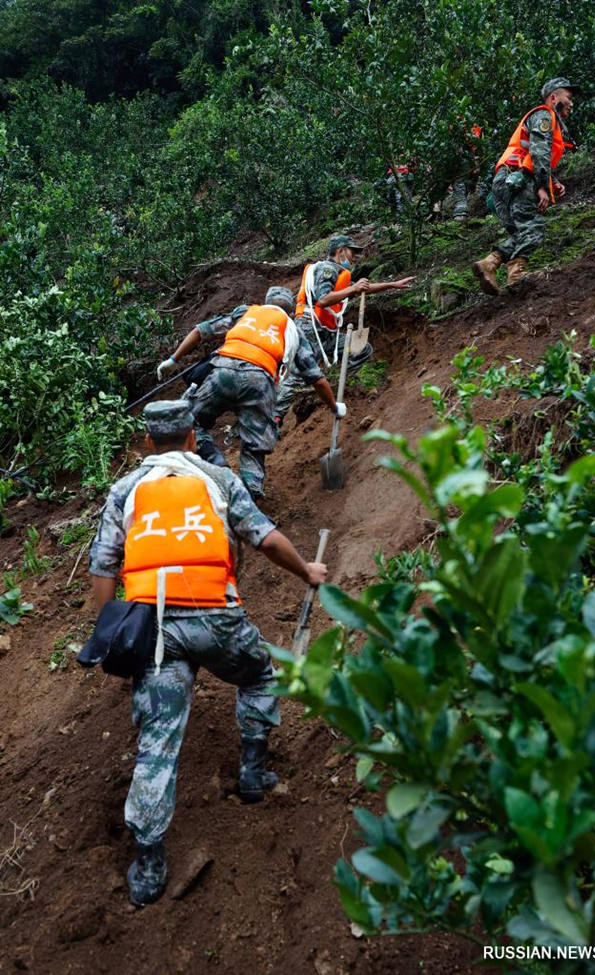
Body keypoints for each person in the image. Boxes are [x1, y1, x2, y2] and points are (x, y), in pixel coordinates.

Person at [89, 400, 328, 907]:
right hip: (215, 617)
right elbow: (263, 538)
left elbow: (104, 566)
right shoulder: (218, 479)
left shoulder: (125, 490)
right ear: (192, 439)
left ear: (148, 443)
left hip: (155, 630)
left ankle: (149, 862)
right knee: (260, 672)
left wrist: (110, 629)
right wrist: (307, 570)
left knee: (159, 741)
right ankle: (253, 769)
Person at [155, 286, 344, 501]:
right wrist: (334, 407)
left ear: (265, 302)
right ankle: (248, 496)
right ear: (291, 312)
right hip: (260, 382)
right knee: (255, 445)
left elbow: (202, 330)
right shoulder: (293, 331)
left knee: (189, 422)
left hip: (223, 372)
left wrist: (173, 360)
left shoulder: (245, 313)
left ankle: (215, 461)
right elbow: (316, 378)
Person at [274, 235, 415, 423]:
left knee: (361, 350)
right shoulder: (327, 269)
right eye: (352, 251)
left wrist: (391, 284)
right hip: (310, 328)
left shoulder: (338, 272)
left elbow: (361, 288)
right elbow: (323, 299)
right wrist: (354, 288)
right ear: (340, 251)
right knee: (298, 375)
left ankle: (337, 388)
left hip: (326, 331)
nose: (356, 257)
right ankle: (273, 417)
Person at [472, 78, 578, 294]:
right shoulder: (544, 115)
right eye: (568, 97)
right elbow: (538, 153)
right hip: (519, 180)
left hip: (505, 180)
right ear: (553, 98)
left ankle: (489, 264)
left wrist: (553, 182)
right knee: (534, 228)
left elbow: (532, 155)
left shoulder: (544, 118)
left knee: (519, 232)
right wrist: (542, 187)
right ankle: (517, 275)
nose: (571, 103)